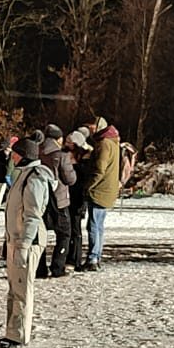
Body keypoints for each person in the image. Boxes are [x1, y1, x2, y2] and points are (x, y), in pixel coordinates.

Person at [2, 137, 56, 346]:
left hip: (27, 241)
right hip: (15, 239)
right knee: (15, 288)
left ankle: (19, 335)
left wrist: (24, 245)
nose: (12, 156)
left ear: (24, 155)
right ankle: (12, 332)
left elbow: (32, 216)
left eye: (15, 153)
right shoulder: (23, 175)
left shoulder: (34, 178)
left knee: (23, 289)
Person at [83, 118, 123, 270]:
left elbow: (100, 169)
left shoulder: (104, 144)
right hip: (108, 190)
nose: (90, 130)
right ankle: (96, 256)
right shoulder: (113, 142)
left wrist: (88, 186)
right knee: (99, 225)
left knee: (93, 225)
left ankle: (93, 258)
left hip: (100, 190)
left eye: (92, 127)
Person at [38, 136, 77, 278]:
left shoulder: (37, 152)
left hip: (40, 200)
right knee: (64, 234)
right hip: (59, 201)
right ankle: (57, 267)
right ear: (58, 139)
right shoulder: (61, 156)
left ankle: (39, 268)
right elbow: (70, 179)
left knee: (40, 234)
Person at [65, 130, 94, 269]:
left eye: (69, 142)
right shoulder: (67, 155)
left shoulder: (85, 159)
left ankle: (75, 258)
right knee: (68, 228)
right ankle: (69, 256)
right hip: (68, 195)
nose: (66, 144)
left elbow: (84, 179)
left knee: (75, 229)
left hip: (77, 197)